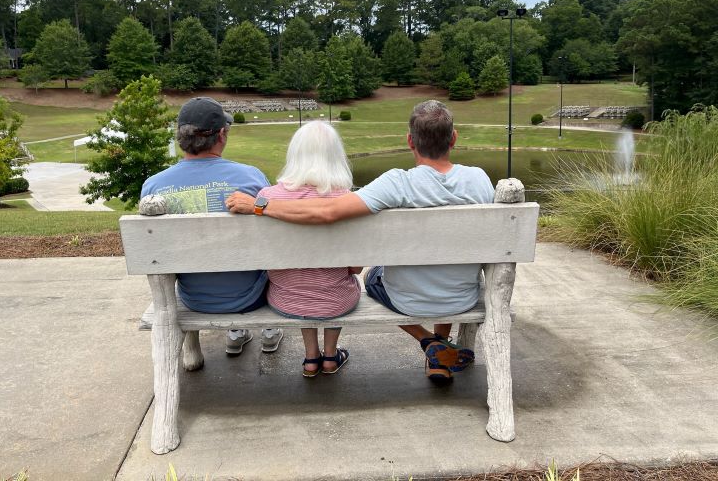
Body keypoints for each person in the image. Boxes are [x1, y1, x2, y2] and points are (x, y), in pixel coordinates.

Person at [226, 100, 494, 380]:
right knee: (446, 265)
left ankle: (430, 343)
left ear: (409, 141)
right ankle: (438, 349)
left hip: (406, 300)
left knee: (373, 278)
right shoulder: (480, 179)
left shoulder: (396, 183)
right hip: (462, 297)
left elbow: (328, 211)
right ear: (453, 138)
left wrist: (262, 206)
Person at [141, 97, 282, 355]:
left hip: (193, 298)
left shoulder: (153, 187)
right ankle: (267, 331)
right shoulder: (252, 177)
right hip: (250, 297)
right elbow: (272, 238)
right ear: (221, 135)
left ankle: (236, 333)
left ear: (180, 137)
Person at [256, 122, 361, 376]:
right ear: (336, 157)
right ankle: (330, 356)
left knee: (299, 278)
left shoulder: (266, 198)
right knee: (338, 280)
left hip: (286, 299)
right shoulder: (347, 200)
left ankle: (311, 358)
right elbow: (356, 267)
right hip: (337, 302)